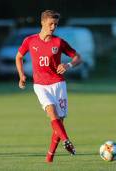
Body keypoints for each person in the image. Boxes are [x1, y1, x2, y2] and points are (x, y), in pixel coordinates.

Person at [15, 10, 82, 163]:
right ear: (42, 23)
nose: (53, 27)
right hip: (40, 85)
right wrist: (21, 75)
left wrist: (69, 64)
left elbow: (78, 57)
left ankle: (50, 157)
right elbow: (18, 57)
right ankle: (67, 141)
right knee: (51, 112)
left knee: (59, 122)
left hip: (58, 84)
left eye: (56, 24)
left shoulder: (59, 42)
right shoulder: (30, 41)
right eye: (51, 24)